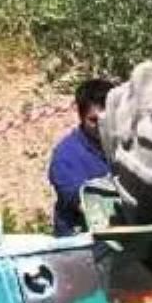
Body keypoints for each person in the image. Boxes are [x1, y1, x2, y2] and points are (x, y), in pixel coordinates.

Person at [48, 78, 115, 237]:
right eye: (93, 120)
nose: (101, 126)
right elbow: (86, 206)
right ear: (81, 116)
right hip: (80, 241)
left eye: (106, 119)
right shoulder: (65, 157)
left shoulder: (127, 146)